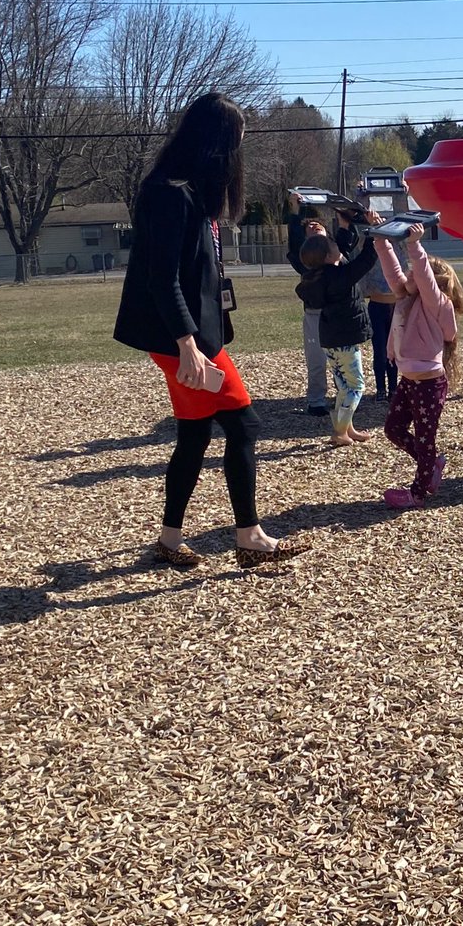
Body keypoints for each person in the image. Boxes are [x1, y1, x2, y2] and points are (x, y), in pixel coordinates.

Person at [113, 92, 309, 569]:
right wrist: (188, 347)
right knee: (243, 423)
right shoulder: (168, 192)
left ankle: (169, 538)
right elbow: (161, 280)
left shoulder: (190, 193)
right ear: (214, 144)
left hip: (191, 334)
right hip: (178, 337)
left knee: (195, 435)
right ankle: (250, 537)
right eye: (236, 143)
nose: (238, 155)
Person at [373, 225, 463, 509]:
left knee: (426, 439)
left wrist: (415, 246)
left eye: (414, 271)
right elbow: (393, 272)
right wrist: (381, 239)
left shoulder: (437, 304)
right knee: (393, 429)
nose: (408, 275)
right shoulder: (406, 297)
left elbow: (425, 278)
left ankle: (418, 493)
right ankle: (433, 463)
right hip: (409, 381)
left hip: (429, 383)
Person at [294, 212, 384, 446]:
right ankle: (339, 432)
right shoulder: (339, 277)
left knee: (344, 384)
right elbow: (365, 260)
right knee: (356, 385)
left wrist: (348, 227)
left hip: (331, 339)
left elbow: (348, 256)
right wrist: (374, 231)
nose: (338, 247)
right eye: (333, 244)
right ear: (327, 256)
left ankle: (347, 427)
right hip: (344, 339)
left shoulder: (321, 276)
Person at [286, 194, 332, 417]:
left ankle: (346, 398)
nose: (315, 226)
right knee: (316, 360)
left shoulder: (339, 255)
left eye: (319, 226)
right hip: (314, 314)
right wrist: (295, 211)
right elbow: (294, 242)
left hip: (340, 315)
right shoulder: (305, 262)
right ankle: (316, 400)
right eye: (310, 228)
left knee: (345, 362)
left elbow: (348, 232)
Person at [360, 227, 405, 403]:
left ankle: (393, 387)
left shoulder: (398, 248)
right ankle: (381, 388)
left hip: (395, 307)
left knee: (393, 350)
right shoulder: (373, 248)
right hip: (377, 306)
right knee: (379, 350)